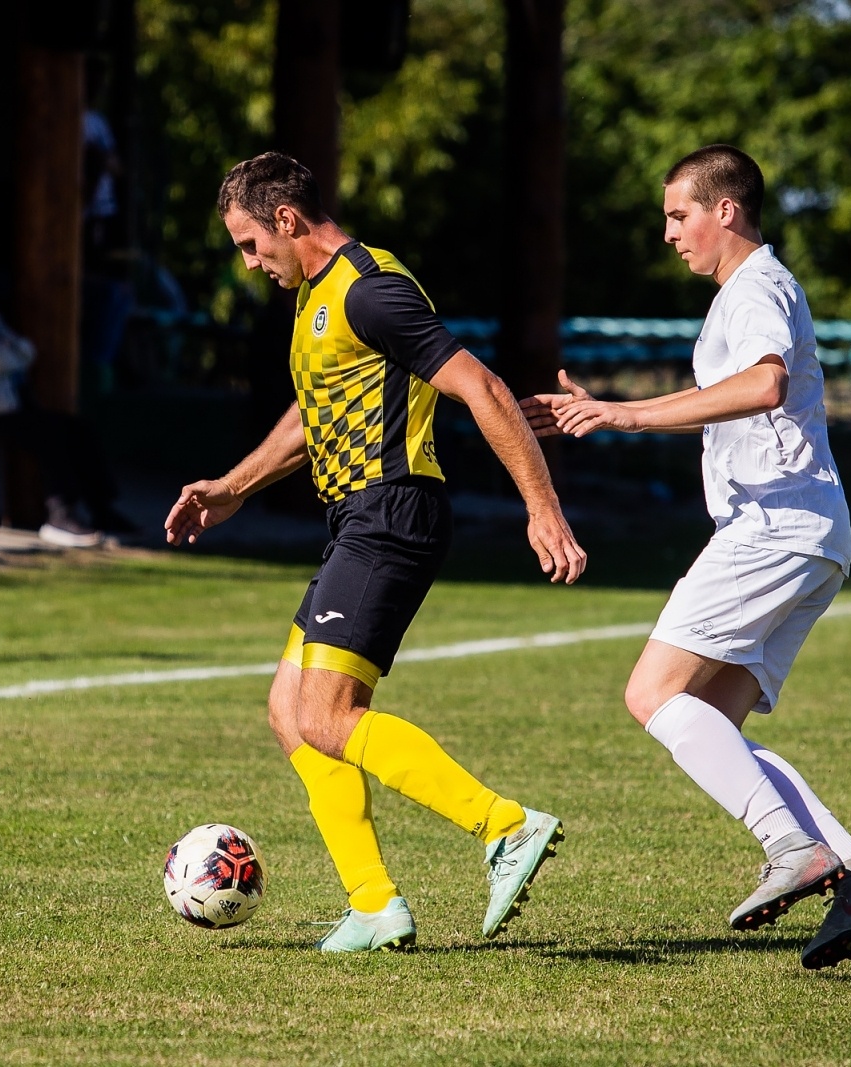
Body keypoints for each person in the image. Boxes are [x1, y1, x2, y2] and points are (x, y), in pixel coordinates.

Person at [166, 152, 587, 952]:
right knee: (290, 713)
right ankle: (374, 904)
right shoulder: (317, 298)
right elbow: (310, 410)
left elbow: (483, 388)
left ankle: (503, 825)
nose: (251, 263)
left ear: (288, 220)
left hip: (392, 512)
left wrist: (543, 509)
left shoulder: (370, 288)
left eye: (252, 244)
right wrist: (232, 487)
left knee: (326, 714)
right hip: (358, 519)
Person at [521, 144, 851, 970]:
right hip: (807, 531)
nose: (668, 233)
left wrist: (620, 415)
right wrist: (609, 410)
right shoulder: (745, 292)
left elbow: (765, 384)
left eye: (677, 214)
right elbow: (730, 402)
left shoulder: (757, 285)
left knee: (650, 692)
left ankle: (791, 850)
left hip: (772, 527)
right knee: (716, 726)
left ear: (725, 210)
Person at [0, 244, 132, 546]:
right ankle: (60, 516)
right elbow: (3, 357)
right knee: (48, 432)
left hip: (1, 406)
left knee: (76, 428)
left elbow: (17, 349)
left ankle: (102, 509)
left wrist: (14, 351)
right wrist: (15, 352)